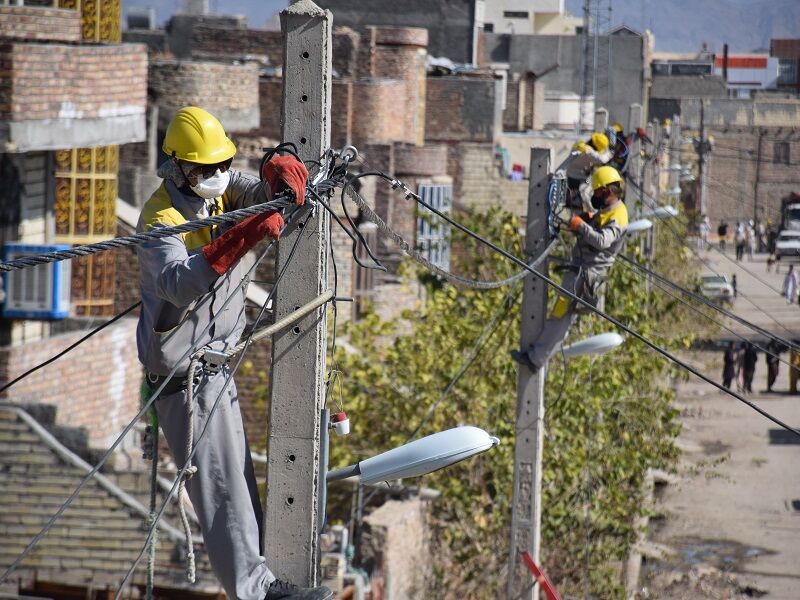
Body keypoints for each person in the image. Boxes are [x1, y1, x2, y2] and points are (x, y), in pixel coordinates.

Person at [136, 106, 331, 600]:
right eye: (206, 169)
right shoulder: (161, 217)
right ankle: (256, 592)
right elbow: (177, 284)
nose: (218, 176)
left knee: (240, 486)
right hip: (186, 378)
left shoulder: (221, 189)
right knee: (222, 490)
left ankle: (265, 580)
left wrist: (278, 173)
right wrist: (240, 238)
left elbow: (257, 191)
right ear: (179, 168)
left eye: (222, 164)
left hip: (216, 367)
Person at [512, 166, 628, 371]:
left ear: (608, 191)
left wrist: (581, 226)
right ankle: (537, 357)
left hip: (585, 275)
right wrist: (585, 221)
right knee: (562, 316)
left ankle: (536, 359)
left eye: (598, 192)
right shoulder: (611, 210)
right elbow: (596, 224)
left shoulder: (618, 216)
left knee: (561, 317)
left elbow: (602, 240)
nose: (595, 197)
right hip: (581, 270)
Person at [565, 132, 613, 210]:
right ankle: (591, 210)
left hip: (572, 175)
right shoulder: (588, 152)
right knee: (587, 187)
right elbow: (602, 160)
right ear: (595, 146)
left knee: (588, 183)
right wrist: (610, 153)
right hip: (581, 179)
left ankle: (575, 199)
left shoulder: (580, 144)